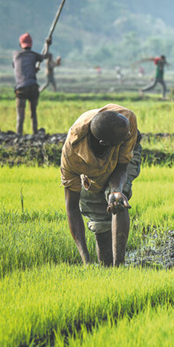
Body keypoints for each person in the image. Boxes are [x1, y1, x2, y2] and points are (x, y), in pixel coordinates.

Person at [61, 104, 142, 266]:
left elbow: (121, 167)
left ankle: (119, 266)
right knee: (99, 219)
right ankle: (106, 268)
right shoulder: (72, 157)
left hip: (121, 156)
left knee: (118, 201)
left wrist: (116, 191)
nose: (129, 135)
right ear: (104, 143)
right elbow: (72, 208)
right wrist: (86, 260)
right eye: (125, 136)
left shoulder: (126, 120)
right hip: (92, 165)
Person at [12, 33, 46, 135]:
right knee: (33, 113)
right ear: (31, 44)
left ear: (20, 44)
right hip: (32, 87)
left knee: (20, 116)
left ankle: (19, 134)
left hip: (21, 88)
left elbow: (18, 68)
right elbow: (43, 57)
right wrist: (47, 44)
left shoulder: (16, 55)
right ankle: (35, 133)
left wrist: (32, 70)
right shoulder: (33, 55)